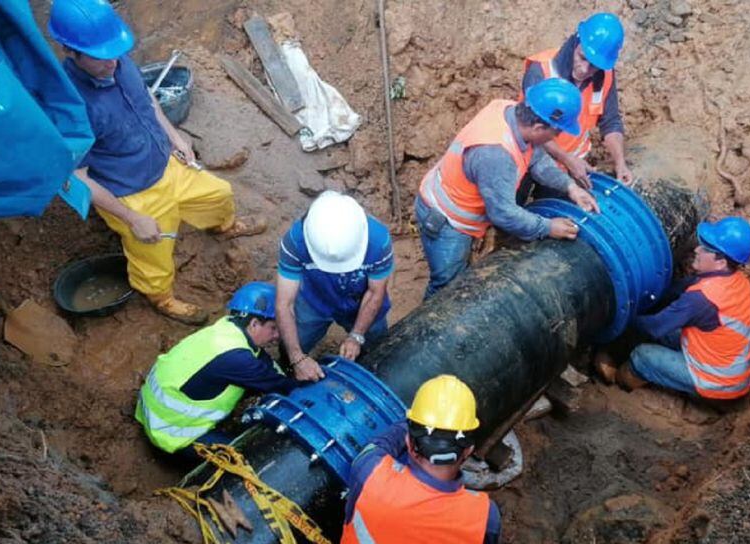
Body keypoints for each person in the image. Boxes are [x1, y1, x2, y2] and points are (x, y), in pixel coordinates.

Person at [48, 0, 266, 325]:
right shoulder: (70, 106)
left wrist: (175, 136)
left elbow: (146, 99)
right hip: (133, 193)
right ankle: (161, 297)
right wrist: (132, 218)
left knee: (218, 193)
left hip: (166, 162)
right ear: (71, 51)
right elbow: (75, 178)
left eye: (114, 52)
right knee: (153, 256)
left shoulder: (118, 62)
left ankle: (222, 226)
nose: (111, 62)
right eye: (99, 55)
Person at [331, 375, 502, 544]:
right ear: (467, 451)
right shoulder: (485, 517)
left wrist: (414, 424)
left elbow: (379, 445)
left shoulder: (369, 472)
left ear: (410, 443)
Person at [415, 77, 600, 298]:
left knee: (459, 278)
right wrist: (548, 227)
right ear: (539, 127)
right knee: (446, 287)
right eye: (557, 132)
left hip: (458, 207)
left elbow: (538, 161)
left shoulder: (510, 111)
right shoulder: (496, 153)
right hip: (448, 221)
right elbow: (502, 213)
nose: (557, 137)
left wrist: (570, 187)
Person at [134, 282, 301, 461]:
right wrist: (306, 384)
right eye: (273, 328)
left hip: (149, 411)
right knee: (249, 459)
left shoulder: (226, 330)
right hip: (172, 434)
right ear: (254, 324)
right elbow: (281, 385)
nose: (277, 336)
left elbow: (265, 363)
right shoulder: (238, 359)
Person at [616, 217, 750, 400]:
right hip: (733, 364)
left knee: (642, 355)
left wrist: (622, 315)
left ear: (721, 262)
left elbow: (654, 327)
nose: (697, 249)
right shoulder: (737, 280)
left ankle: (619, 385)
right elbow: (681, 287)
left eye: (706, 248)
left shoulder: (700, 299)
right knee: (670, 332)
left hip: (721, 381)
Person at [276, 191, 393, 381]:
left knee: (378, 348)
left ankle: (373, 376)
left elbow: (375, 293)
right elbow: (284, 304)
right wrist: (296, 358)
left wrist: (356, 336)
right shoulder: (295, 242)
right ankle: (287, 374)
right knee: (292, 345)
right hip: (315, 301)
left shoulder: (378, 240)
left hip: (360, 300)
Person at [519, 12, 631, 202]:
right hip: (531, 156)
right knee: (516, 207)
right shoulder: (542, 71)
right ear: (576, 41)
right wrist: (566, 158)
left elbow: (610, 122)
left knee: (552, 210)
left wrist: (620, 162)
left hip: (570, 166)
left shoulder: (606, 75)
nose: (584, 69)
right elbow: (530, 128)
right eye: (582, 57)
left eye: (594, 66)